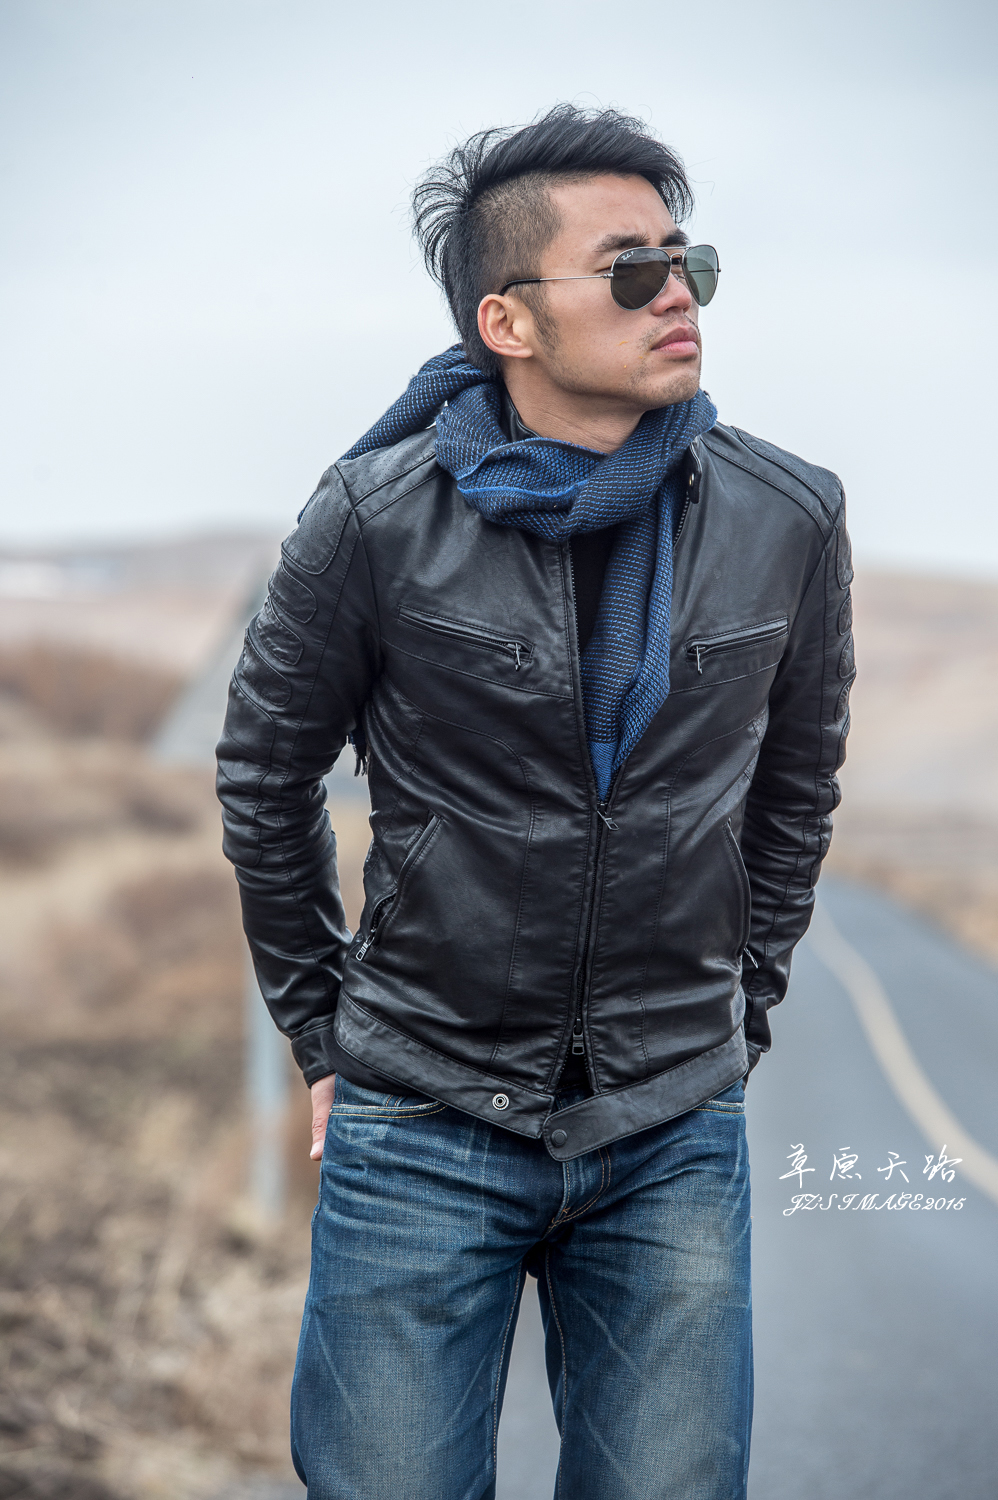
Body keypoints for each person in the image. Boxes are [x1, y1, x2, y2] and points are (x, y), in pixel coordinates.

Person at [216, 103, 853, 1500]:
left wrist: (735, 1011)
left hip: (671, 1122)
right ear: (505, 321)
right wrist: (323, 1031)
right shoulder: (374, 518)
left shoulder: (788, 517)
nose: (677, 294)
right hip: (419, 1112)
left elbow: (796, 788)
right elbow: (265, 775)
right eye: (631, 271)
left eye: (688, 262)